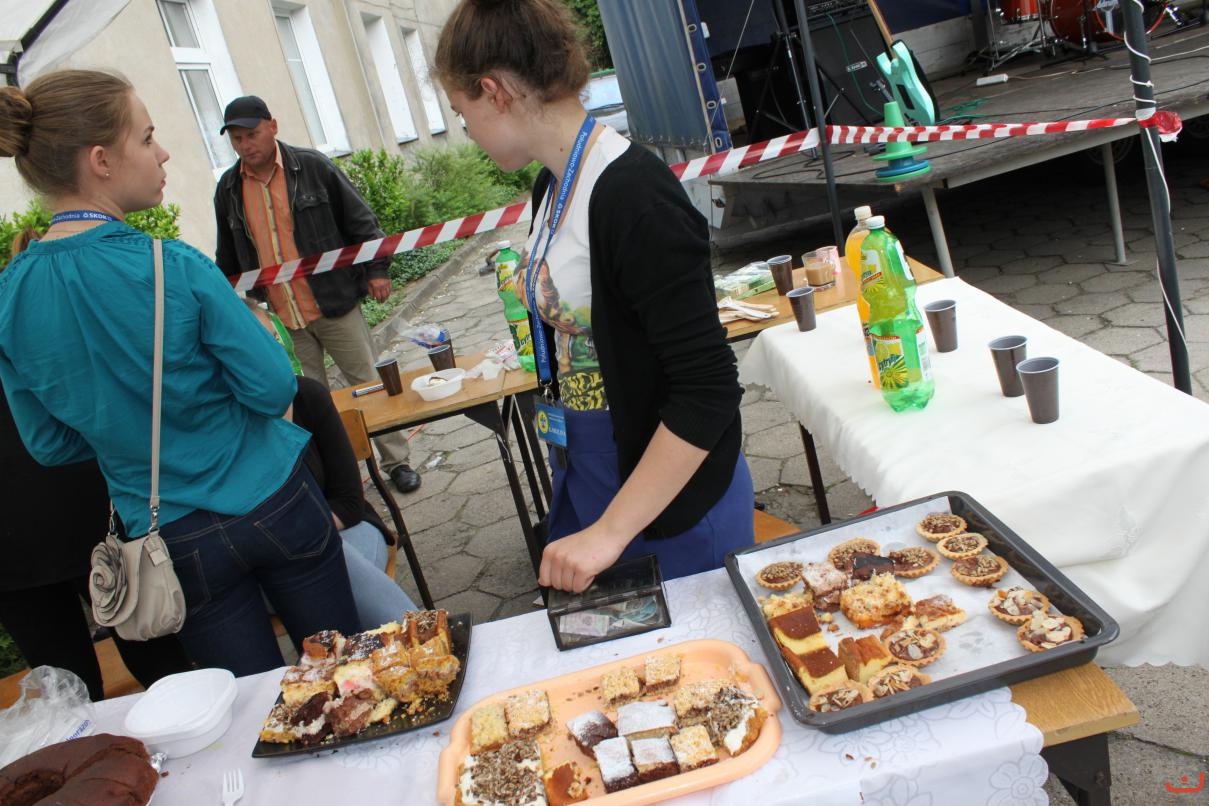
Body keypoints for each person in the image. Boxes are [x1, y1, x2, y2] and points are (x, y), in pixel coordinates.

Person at [0, 70, 360, 677]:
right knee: (352, 674)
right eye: (146, 138)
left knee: (249, 706)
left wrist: (124, 430)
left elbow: (50, 445)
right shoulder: (172, 264)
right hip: (269, 496)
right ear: (100, 161)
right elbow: (274, 388)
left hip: (168, 539)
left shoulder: (10, 298)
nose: (163, 152)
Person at [434, 0, 755, 594]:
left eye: (461, 112)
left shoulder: (634, 195)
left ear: (493, 91)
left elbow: (708, 390)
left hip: (666, 501)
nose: (466, 131)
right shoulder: (553, 182)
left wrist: (610, 531)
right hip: (594, 469)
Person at [213, 95, 421, 494]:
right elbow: (228, 256)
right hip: (282, 315)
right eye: (236, 139)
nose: (244, 145)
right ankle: (339, 478)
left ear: (272, 126)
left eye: (251, 135)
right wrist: (234, 305)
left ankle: (397, 462)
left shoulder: (312, 167)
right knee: (310, 401)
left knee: (367, 382)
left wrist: (377, 270)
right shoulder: (228, 189)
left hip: (333, 301)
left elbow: (362, 222)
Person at [247, 300, 416, 626]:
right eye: (256, 341)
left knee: (334, 569)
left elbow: (349, 503)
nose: (273, 350)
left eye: (274, 338)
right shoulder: (224, 424)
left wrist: (299, 538)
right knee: (330, 583)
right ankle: (422, 641)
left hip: (346, 529)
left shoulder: (307, 396)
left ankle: (410, 643)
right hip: (269, 561)